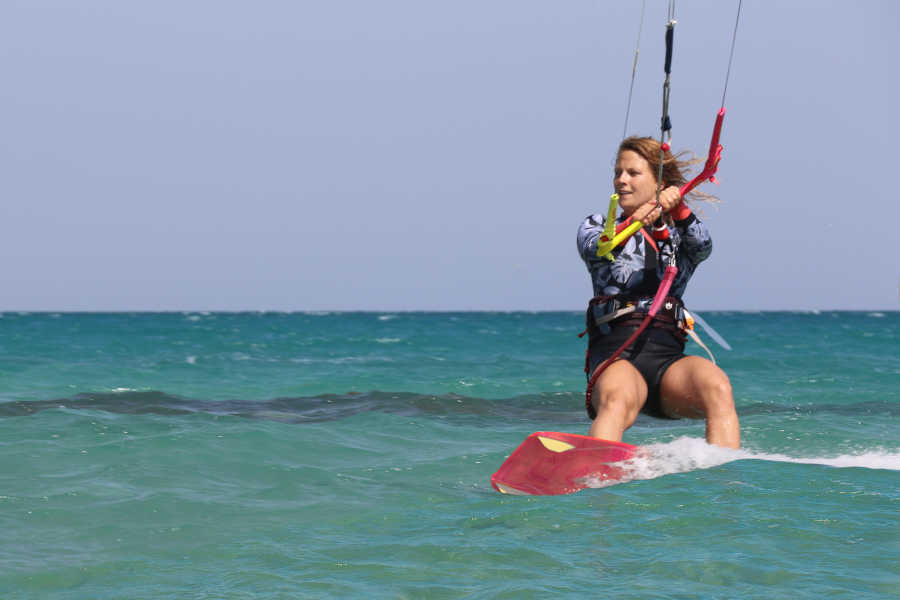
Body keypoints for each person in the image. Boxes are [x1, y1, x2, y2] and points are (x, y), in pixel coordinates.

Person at [576, 136, 740, 449]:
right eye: (617, 172)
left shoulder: (680, 234)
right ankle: (595, 478)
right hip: (615, 356)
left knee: (717, 386)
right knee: (620, 397)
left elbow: (703, 246)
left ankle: (723, 483)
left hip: (667, 364)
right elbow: (598, 248)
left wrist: (677, 208)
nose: (621, 180)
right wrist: (636, 221)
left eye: (633, 173)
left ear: (659, 182)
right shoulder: (597, 224)